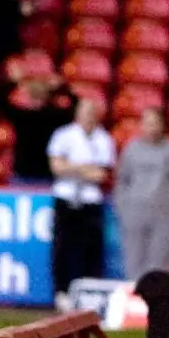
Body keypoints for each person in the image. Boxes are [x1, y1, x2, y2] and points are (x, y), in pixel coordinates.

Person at [46, 97, 115, 306]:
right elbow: (56, 167)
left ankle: (88, 295)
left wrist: (72, 166)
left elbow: (101, 175)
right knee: (62, 247)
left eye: (92, 113)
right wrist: (85, 168)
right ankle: (61, 293)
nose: (88, 117)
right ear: (78, 114)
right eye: (85, 112)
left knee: (90, 250)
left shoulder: (104, 139)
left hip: (90, 200)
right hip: (65, 198)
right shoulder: (63, 135)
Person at [114, 107, 169, 280]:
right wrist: (122, 208)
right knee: (133, 261)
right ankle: (133, 299)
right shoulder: (131, 149)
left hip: (165, 214)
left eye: (155, 123)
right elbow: (122, 181)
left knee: (160, 264)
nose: (151, 127)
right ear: (141, 125)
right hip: (134, 213)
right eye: (147, 123)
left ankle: (156, 303)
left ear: (162, 125)